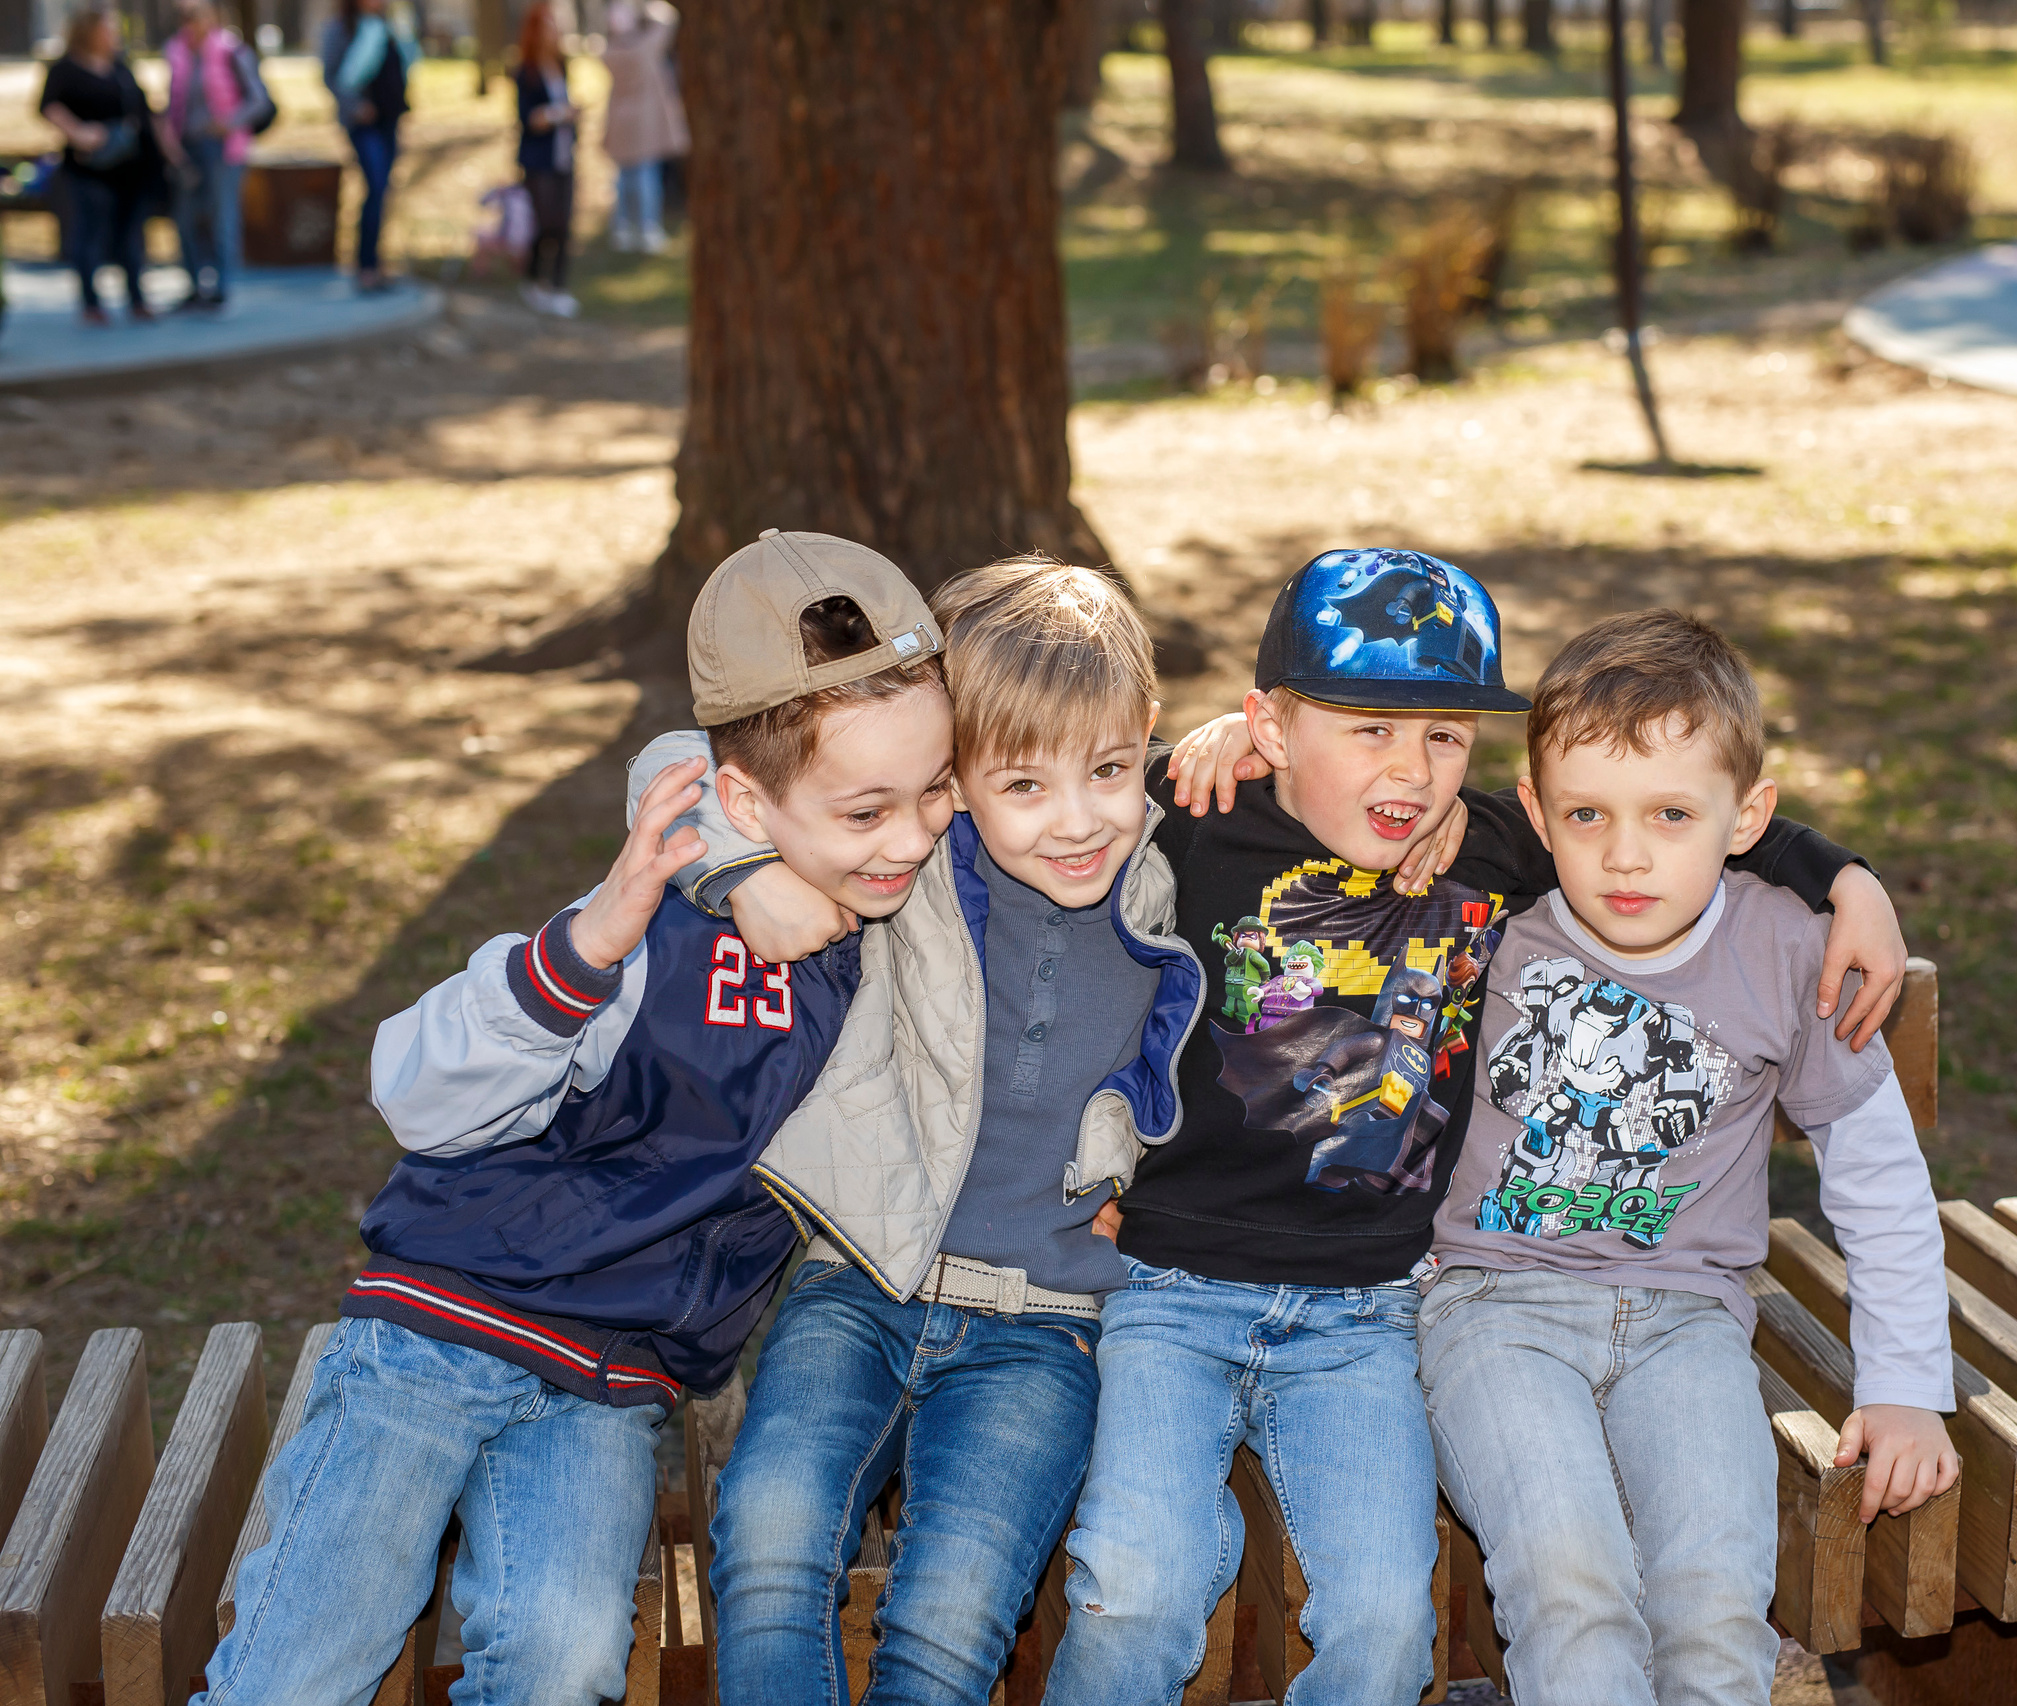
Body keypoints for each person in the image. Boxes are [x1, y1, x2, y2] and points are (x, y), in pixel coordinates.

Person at [1037, 551, 1907, 1703]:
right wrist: (1207, 743)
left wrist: (1846, 876)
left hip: (1370, 1307)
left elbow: (1691, 807)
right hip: (1177, 1285)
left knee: (1393, 1624)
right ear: (1273, 725)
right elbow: (1037, 788)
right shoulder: (1189, 824)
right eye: (1367, 730)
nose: (1409, 770)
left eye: (1444, 734)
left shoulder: (1502, 845)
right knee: (1136, 1584)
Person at [187, 532, 951, 1706]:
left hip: (611, 1382)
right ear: (744, 799)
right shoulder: (651, 920)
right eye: (866, 810)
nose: (907, 837)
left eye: (931, 790)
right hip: (438, 1328)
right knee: (303, 1655)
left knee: (565, 1659)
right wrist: (599, 935)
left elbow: (1056, 782)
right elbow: (416, 1089)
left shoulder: (882, 920)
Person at [631, 559, 1234, 1706]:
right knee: (765, 1540)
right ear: (947, 775)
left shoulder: (1174, 868)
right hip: (860, 1278)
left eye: (1110, 769)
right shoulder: (913, 864)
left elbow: (1351, 797)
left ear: (1145, 739)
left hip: (1048, 1325)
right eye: (1021, 782)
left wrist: (1239, 750)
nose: (1075, 819)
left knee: (951, 1614)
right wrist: (747, 873)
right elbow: (675, 764)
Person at [1420, 609, 1958, 1706]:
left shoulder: (1785, 950)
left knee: (1714, 1604)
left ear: (1747, 816)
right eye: (1586, 814)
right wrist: (1232, 749)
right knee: (1572, 1582)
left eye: (1672, 813)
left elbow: (1877, 1172)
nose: (1625, 853)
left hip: (1687, 1319)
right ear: (1534, 814)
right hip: (1492, 1306)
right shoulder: (1483, 920)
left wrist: (1905, 1384)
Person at [39, 8, 165, 327]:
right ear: (89, 31)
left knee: (130, 234)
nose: (112, 33)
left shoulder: (120, 67)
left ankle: (136, 299)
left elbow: (144, 110)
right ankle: (91, 302)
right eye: (106, 28)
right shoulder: (66, 69)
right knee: (89, 231)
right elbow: (47, 106)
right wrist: (79, 132)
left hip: (127, 165)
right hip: (88, 166)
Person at [161, 0, 256, 313]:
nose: (194, 23)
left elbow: (260, 101)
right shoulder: (176, 53)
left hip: (223, 146)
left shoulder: (231, 51)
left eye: (199, 16)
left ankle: (222, 287)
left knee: (221, 215)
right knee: (185, 218)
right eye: (188, 18)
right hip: (186, 145)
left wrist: (228, 123)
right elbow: (172, 101)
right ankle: (193, 285)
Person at [319, 0, 416, 293]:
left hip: (389, 119)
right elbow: (331, 76)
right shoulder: (340, 29)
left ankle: (375, 261)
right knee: (374, 185)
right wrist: (355, 107)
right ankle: (365, 265)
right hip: (363, 123)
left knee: (382, 189)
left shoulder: (391, 26)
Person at [601, 0, 686, 254]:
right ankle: (647, 227)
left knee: (624, 177)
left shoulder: (609, 52)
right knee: (645, 176)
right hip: (644, 122)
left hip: (619, 120)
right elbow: (669, 19)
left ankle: (623, 227)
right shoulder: (646, 48)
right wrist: (646, 6)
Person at [516, 2, 580, 317]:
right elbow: (527, 118)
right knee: (545, 224)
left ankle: (558, 286)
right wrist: (558, 115)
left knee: (564, 225)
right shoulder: (525, 71)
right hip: (539, 160)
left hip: (564, 157)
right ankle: (534, 281)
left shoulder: (562, 66)